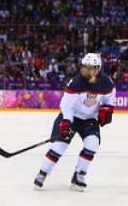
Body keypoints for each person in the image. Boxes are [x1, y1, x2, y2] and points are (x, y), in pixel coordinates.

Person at [33, 53, 116, 191]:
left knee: (92, 144)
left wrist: (106, 110)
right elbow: (67, 107)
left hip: (89, 120)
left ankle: (79, 176)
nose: (87, 70)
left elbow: (109, 101)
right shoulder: (76, 83)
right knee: (59, 147)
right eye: (85, 67)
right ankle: (42, 173)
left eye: (91, 68)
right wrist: (66, 122)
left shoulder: (107, 84)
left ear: (98, 69)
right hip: (71, 117)